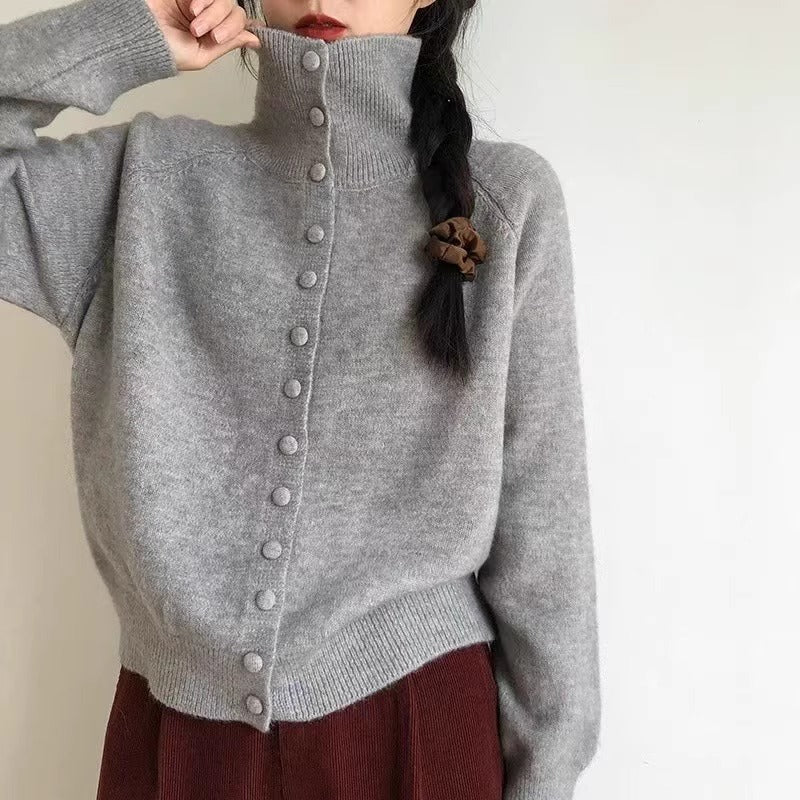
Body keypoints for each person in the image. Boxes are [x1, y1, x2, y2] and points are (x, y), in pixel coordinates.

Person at [0, 0, 602, 798]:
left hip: (420, 723)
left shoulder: (507, 202)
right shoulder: (138, 184)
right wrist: (129, 34)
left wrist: (547, 776)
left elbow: (544, 531)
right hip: (176, 733)